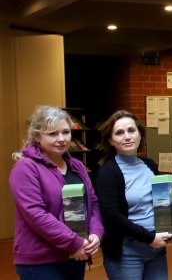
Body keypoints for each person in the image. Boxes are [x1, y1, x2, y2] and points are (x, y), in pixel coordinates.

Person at [10, 106, 104, 280]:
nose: (61, 139)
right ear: (37, 136)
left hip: (76, 254)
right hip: (41, 261)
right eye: (52, 134)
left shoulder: (77, 165)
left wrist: (95, 234)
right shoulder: (25, 168)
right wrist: (74, 243)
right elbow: (36, 214)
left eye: (66, 132)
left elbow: (93, 202)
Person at [96, 110, 172, 280]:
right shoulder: (108, 172)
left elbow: (160, 201)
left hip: (156, 249)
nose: (127, 136)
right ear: (111, 141)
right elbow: (111, 216)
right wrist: (149, 237)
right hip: (126, 251)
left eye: (131, 130)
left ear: (140, 135)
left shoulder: (149, 165)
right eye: (119, 133)